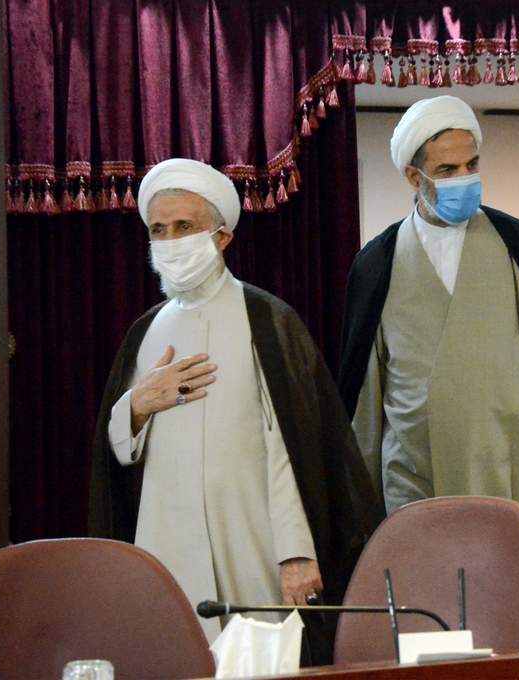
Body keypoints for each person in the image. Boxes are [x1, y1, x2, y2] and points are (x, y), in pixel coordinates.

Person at [337, 96, 519, 642]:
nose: (464, 179)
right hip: (414, 470)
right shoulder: (379, 260)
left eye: (472, 165)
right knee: (428, 608)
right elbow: (366, 387)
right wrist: (361, 490)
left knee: (508, 605)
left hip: (506, 460)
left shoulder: (517, 242)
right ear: (414, 177)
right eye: (447, 170)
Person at [88, 158, 382, 662]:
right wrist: (137, 405)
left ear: (222, 237)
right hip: (167, 541)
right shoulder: (145, 332)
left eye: (185, 226)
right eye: (159, 230)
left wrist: (295, 552)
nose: (170, 240)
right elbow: (115, 455)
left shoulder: (266, 320)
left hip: (252, 539)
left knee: (261, 659)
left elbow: (290, 448)